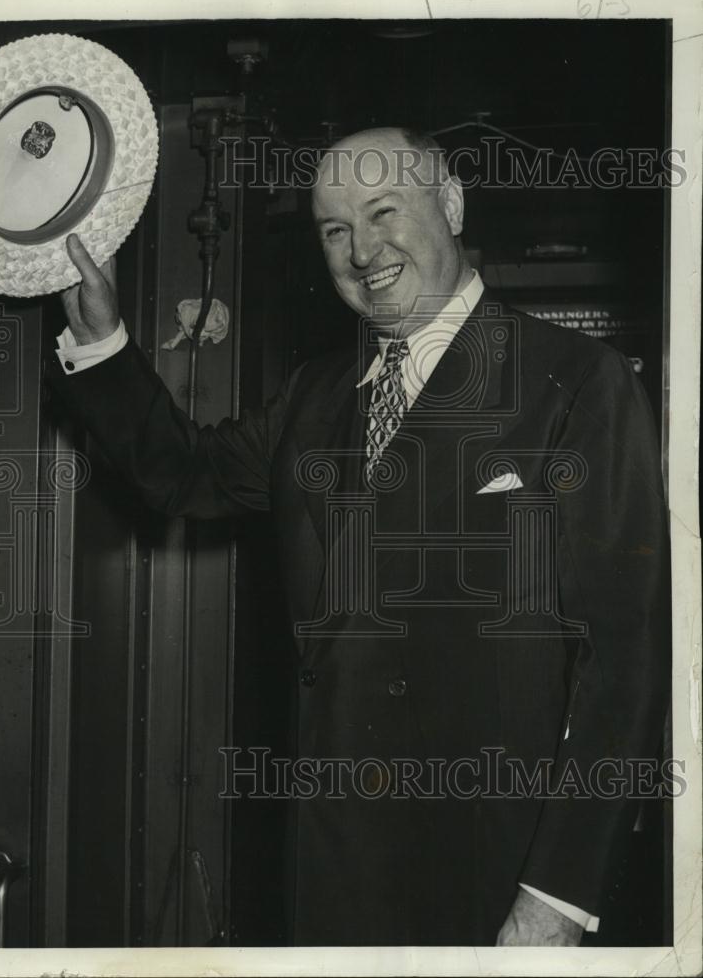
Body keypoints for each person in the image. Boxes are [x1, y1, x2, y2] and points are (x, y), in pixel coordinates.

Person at [48, 127, 670, 947]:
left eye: (383, 212)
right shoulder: (316, 393)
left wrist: (556, 900)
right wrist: (103, 342)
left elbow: (623, 663)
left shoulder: (577, 380)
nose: (362, 251)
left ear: (451, 205)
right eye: (335, 229)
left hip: (493, 879)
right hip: (334, 875)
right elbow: (184, 473)